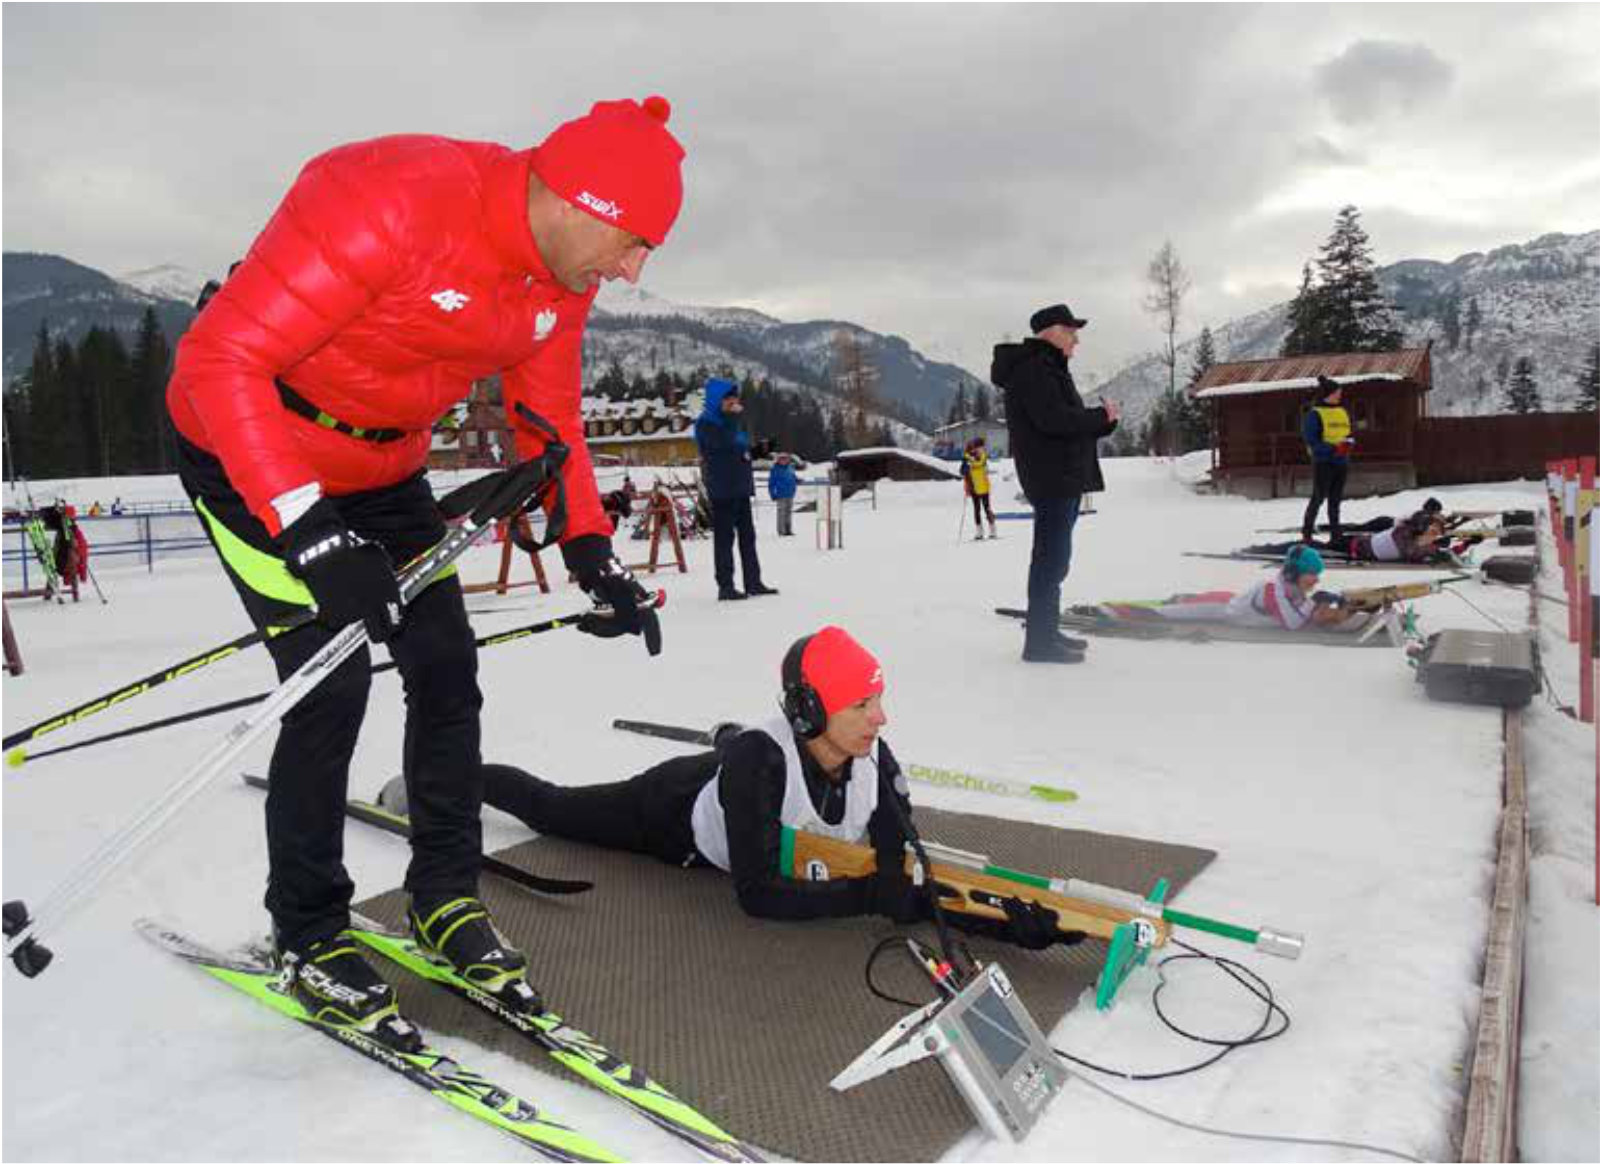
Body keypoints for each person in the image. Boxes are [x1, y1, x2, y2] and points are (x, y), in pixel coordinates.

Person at [165, 96, 686, 1047]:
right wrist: (312, 533)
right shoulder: (391, 196)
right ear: (573, 198)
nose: (633, 269)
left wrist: (587, 547)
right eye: (631, 240)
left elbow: (550, 416)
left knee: (446, 667)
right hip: (253, 456)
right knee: (331, 683)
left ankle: (444, 898)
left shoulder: (563, 282)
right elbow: (217, 359)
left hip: (384, 469)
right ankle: (310, 928)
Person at [381, 627, 1077, 950]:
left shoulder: (874, 753)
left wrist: (1004, 926)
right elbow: (759, 895)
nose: (881, 717)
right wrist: (872, 896)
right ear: (809, 710)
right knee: (553, 805)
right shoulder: (761, 764)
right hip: (668, 814)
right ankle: (436, 787)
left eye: (879, 700)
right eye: (862, 704)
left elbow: (903, 865)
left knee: (751, 760)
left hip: (743, 774)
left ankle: (725, 738)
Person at [991, 304, 1119, 664]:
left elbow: (1068, 423)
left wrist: (1102, 423)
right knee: (1050, 562)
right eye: (1071, 331)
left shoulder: (1047, 368)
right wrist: (1098, 417)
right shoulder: (1034, 370)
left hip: (1060, 478)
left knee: (1055, 561)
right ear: (1051, 332)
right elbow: (1054, 421)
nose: (1076, 340)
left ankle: (1047, 632)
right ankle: (1039, 644)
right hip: (1052, 480)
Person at [1115, 545, 1362, 632]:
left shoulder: (1293, 589)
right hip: (1222, 610)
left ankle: (1184, 597)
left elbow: (1304, 611)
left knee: (1189, 600)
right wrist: (1318, 605)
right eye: (1312, 575)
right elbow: (1294, 624)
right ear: (1297, 573)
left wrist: (1328, 602)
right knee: (1166, 613)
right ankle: (1117, 610)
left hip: (1233, 600)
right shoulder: (1273, 591)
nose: (1315, 581)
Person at [695, 378, 776, 600]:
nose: (734, 403)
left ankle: (753, 582)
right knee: (724, 540)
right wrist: (732, 417)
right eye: (729, 399)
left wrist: (758, 450)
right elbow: (722, 445)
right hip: (722, 490)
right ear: (717, 400)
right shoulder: (706, 424)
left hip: (740, 488)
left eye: (735, 399)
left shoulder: (732, 422)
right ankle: (726, 586)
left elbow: (740, 452)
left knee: (748, 538)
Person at [1245, 509, 1454, 565]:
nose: (1433, 536)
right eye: (1433, 531)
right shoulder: (1404, 533)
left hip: (1356, 545)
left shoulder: (1416, 538)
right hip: (1348, 547)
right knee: (1306, 548)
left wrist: (1443, 548)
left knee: (1309, 546)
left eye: (1436, 533)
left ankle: (1265, 548)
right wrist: (1435, 548)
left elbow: (1423, 551)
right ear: (1422, 527)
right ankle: (1262, 550)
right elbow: (1411, 552)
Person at [1301, 377, 1352, 544]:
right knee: (1319, 497)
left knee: (1335, 500)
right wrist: (1333, 448)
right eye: (1337, 393)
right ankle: (1307, 532)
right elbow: (1311, 441)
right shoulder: (1314, 414)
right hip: (1324, 462)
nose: (1339, 395)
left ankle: (1335, 534)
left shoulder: (1343, 411)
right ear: (1327, 394)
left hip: (1341, 461)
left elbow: (1347, 433)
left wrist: (1348, 444)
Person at [961, 437, 998, 540]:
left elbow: (983, 465)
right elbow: (962, 471)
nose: (981, 449)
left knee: (987, 508)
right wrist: (966, 467)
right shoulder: (967, 458)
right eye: (979, 447)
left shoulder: (983, 457)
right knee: (977, 509)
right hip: (973, 487)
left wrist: (971, 463)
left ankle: (992, 529)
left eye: (982, 447)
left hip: (984, 486)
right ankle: (979, 531)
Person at [768, 451, 799, 537]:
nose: (784, 461)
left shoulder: (790, 468)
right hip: (781, 494)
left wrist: (797, 480)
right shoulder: (775, 469)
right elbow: (771, 483)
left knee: (788, 513)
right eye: (782, 459)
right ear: (778, 460)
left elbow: (793, 477)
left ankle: (788, 529)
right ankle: (781, 531)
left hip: (790, 493)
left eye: (786, 459)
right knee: (781, 513)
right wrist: (772, 494)